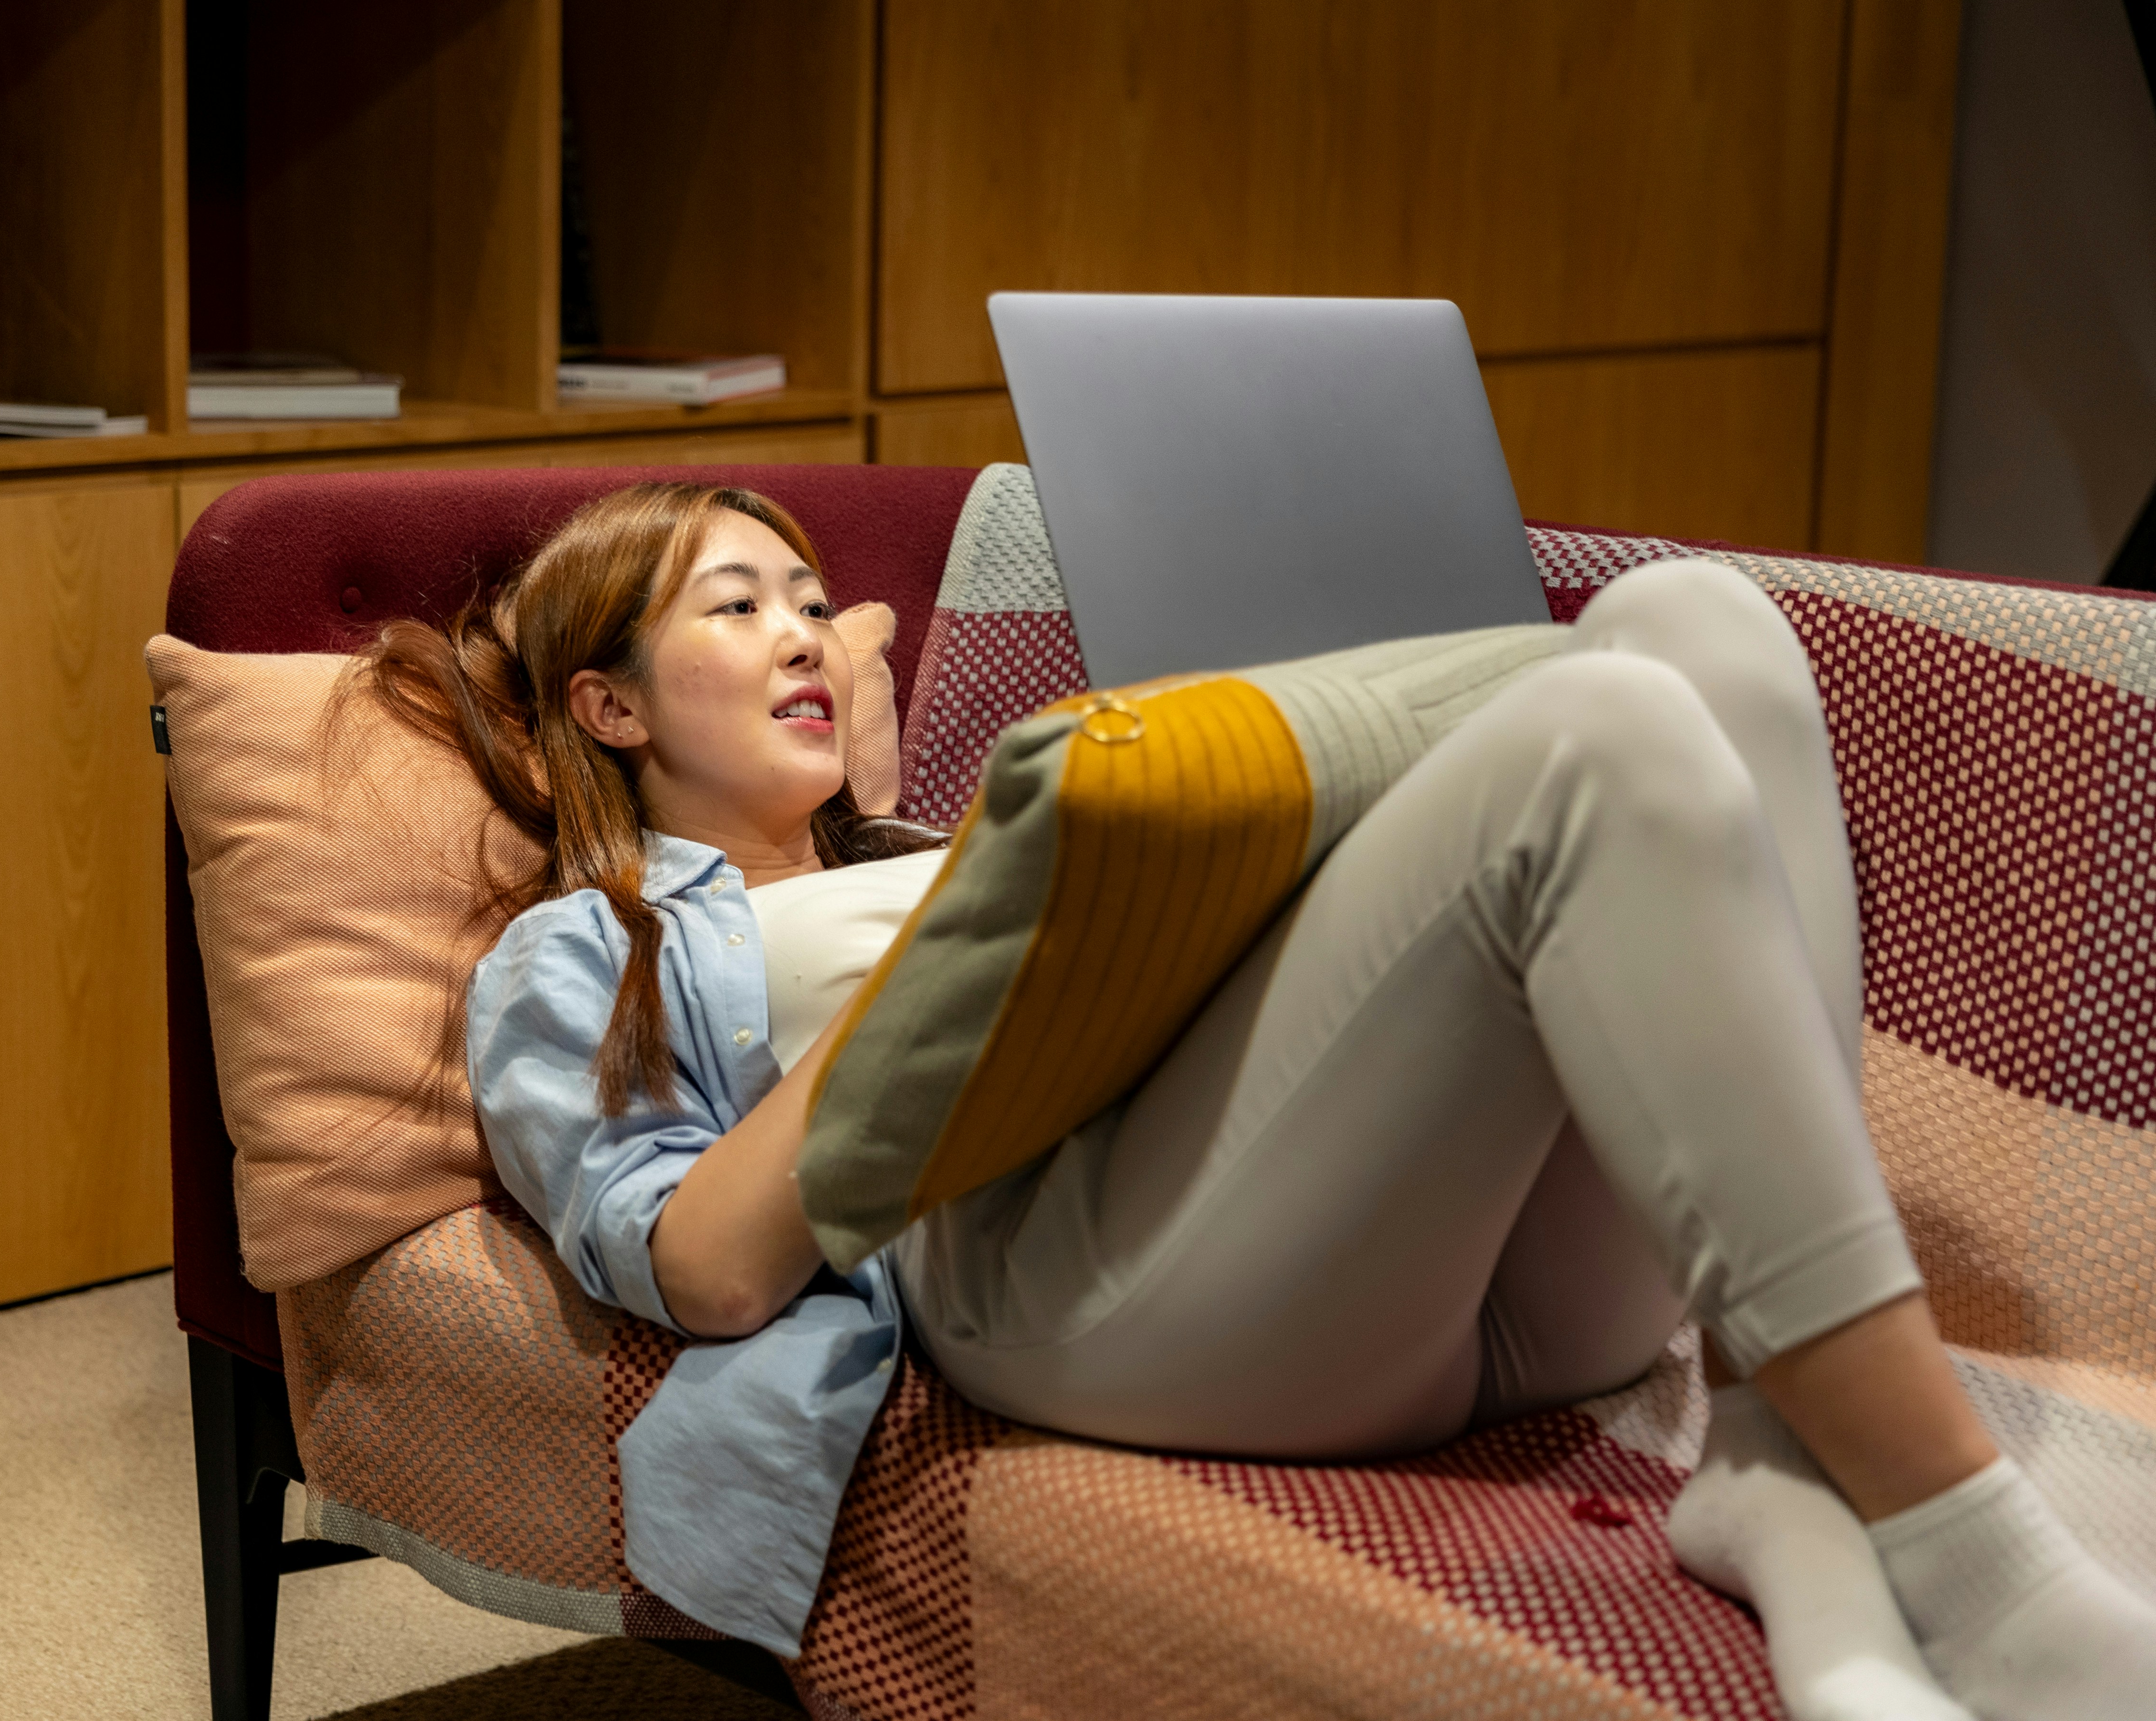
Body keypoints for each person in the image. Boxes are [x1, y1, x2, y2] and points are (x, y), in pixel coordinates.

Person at [362, 480, 2156, 1719]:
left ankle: (1771, 1449)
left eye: (820, 605)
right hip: (1073, 1291)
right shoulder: (583, 954)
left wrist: (960, 859)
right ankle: (1968, 1542)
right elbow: (700, 1269)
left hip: (1433, 1250)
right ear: (605, 704)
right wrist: (950, 961)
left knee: (1697, 627)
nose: (808, 635)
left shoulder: (936, 847)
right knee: (1591, 731)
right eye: (738, 608)